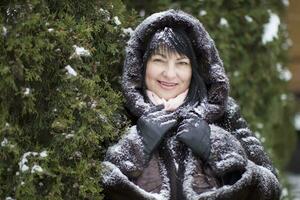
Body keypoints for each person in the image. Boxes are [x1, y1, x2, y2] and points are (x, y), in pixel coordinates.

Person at [101, 9, 280, 200]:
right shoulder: (120, 115)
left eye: (181, 63)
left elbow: (269, 188)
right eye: (159, 60)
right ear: (141, 66)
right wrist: (136, 144)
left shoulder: (225, 115)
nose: (170, 74)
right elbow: (91, 183)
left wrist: (216, 147)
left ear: (194, 69)